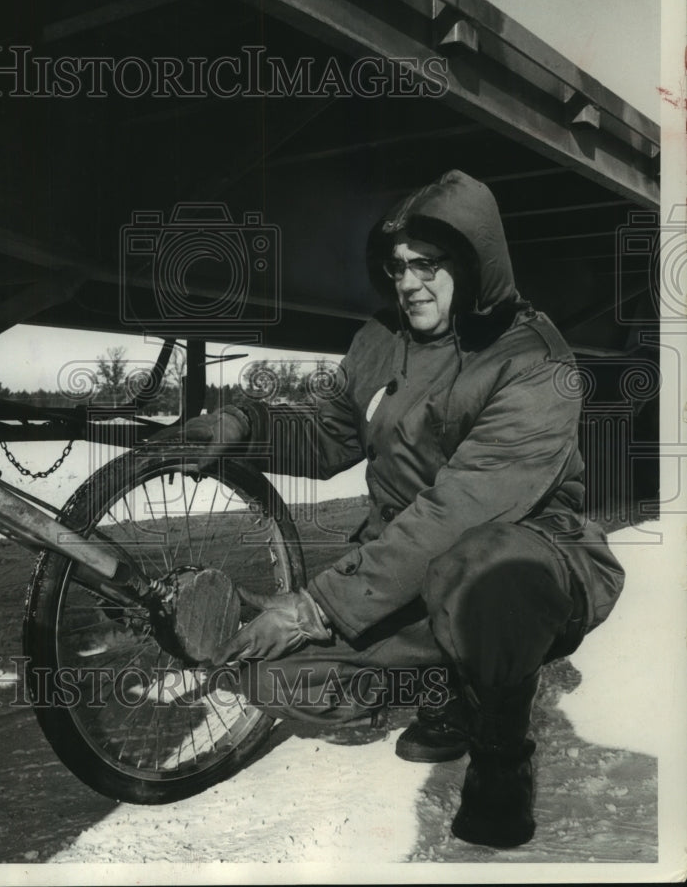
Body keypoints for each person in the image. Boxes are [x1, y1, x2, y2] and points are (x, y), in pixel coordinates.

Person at [182, 170, 624, 848]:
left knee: (484, 572)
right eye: (395, 268)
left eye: (427, 265)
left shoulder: (534, 359)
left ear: (475, 265)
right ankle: (433, 678)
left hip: (524, 555)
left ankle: (500, 756)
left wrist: (314, 605)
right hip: (410, 563)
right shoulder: (381, 337)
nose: (408, 283)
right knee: (263, 673)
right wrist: (245, 424)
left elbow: (461, 510)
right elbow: (331, 431)